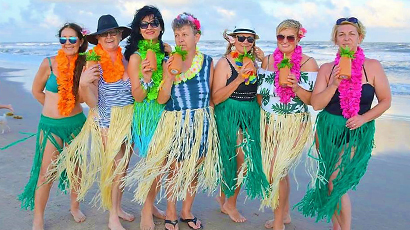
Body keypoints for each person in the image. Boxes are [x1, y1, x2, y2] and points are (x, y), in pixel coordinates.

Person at [295, 17, 391, 230]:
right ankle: (336, 226)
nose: (346, 38)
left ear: (360, 38)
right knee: (330, 181)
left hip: (356, 130)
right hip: (328, 130)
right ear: (335, 40)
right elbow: (317, 104)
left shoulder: (372, 67)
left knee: (336, 182)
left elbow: (385, 101)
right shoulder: (328, 69)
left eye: (351, 34)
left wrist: (364, 118)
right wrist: (333, 84)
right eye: (341, 34)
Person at [129, 12, 219, 230]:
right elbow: (161, 98)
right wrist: (168, 77)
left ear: (196, 36)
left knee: (194, 168)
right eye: (177, 34)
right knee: (175, 168)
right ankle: (171, 210)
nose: (180, 39)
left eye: (185, 34)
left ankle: (187, 210)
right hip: (175, 120)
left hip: (201, 121)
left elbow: (212, 98)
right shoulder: (167, 62)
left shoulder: (207, 62)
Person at [49, 15, 135, 230]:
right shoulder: (95, 60)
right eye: (104, 34)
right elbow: (92, 102)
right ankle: (112, 216)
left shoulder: (126, 58)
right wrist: (84, 84)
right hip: (108, 120)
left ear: (120, 35)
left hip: (129, 118)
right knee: (115, 168)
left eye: (113, 33)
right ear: (98, 39)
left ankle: (118, 207)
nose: (109, 37)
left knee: (122, 168)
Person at [18, 23, 89, 230]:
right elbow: (36, 91)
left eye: (72, 39)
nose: (67, 43)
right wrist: (53, 109)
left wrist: (83, 82)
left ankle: (75, 207)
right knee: (46, 173)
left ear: (81, 41)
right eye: (63, 39)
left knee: (77, 169)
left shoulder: (84, 65)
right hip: (50, 126)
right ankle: (38, 218)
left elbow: (84, 99)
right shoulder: (48, 63)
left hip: (76, 124)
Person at [257, 19, 318, 230]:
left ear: (299, 38)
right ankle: (285, 214)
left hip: (293, 123)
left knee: (276, 170)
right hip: (268, 121)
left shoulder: (308, 63)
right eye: (280, 37)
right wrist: (263, 120)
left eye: (290, 37)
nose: (284, 41)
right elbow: (260, 95)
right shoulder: (266, 61)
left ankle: (277, 223)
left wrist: (296, 87)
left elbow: (311, 101)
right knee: (278, 171)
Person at [212, 27, 268, 223]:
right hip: (229, 113)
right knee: (236, 158)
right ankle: (230, 203)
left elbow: (264, 89)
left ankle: (224, 199)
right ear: (233, 40)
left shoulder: (253, 63)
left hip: (250, 113)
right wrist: (239, 79)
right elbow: (217, 98)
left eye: (250, 39)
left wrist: (264, 62)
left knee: (239, 160)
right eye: (241, 38)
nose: (245, 42)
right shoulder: (224, 63)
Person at [123, 5, 170, 230]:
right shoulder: (135, 57)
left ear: (161, 27)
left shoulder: (166, 54)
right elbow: (137, 95)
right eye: (144, 24)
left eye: (154, 23)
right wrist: (148, 78)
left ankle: (150, 206)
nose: (149, 27)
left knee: (160, 164)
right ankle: (145, 211)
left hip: (166, 113)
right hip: (146, 114)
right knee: (153, 164)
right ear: (138, 29)